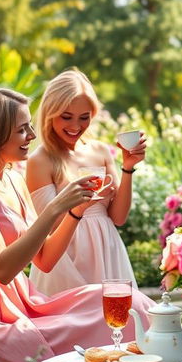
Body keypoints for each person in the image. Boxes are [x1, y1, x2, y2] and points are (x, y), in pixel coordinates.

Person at [0, 88, 153, 362]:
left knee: (132, 304)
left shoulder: (11, 179)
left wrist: (76, 210)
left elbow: (45, 259)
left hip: (20, 305)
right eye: (22, 129)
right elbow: (2, 268)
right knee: (90, 333)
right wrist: (56, 207)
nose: (32, 135)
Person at [26, 69, 143, 294]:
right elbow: (49, 225)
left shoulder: (100, 151)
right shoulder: (40, 160)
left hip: (107, 250)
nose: (75, 126)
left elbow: (118, 218)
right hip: (65, 259)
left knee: (115, 321)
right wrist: (80, 203)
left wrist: (128, 167)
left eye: (84, 117)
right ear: (50, 113)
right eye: (66, 117)